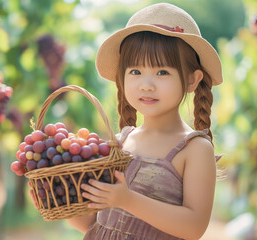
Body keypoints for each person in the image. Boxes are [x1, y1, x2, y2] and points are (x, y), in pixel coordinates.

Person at [67, 3, 224, 239]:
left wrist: (127, 199)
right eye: (135, 72)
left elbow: (194, 227)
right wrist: (59, 200)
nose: (146, 84)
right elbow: (97, 224)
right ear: (121, 77)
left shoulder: (195, 149)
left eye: (162, 72)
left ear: (192, 80)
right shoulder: (120, 143)